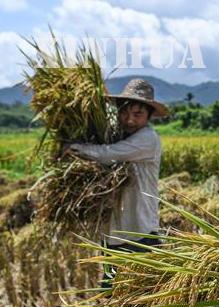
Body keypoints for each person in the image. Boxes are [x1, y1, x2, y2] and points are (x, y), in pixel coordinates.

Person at [68, 78, 170, 289]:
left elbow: (108, 154)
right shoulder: (115, 136)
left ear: (150, 115)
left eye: (137, 114)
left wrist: (74, 148)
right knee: (112, 291)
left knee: (143, 294)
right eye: (124, 113)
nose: (129, 120)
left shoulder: (147, 138)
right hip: (113, 234)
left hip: (140, 233)